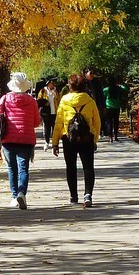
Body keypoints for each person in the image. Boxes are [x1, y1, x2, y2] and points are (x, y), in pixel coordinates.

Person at [51, 72, 101, 208]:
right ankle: (88, 194)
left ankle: (73, 195)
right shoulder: (90, 101)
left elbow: (58, 123)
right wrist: (94, 139)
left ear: (70, 86)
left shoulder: (64, 101)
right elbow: (97, 122)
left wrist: (55, 143)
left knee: (71, 167)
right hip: (87, 138)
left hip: (68, 138)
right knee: (88, 168)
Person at [0, 72, 42, 209]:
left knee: (11, 168)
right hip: (26, 139)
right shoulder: (32, 101)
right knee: (23, 168)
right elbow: (36, 122)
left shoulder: (5, 99)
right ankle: (22, 193)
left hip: (8, 138)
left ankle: (14, 196)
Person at [83, 67, 106, 139]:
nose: (92, 75)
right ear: (85, 74)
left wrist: (103, 105)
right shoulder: (82, 83)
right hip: (85, 106)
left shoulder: (97, 82)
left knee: (96, 120)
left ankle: (96, 133)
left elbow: (101, 94)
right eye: (90, 73)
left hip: (96, 104)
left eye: (93, 73)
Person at [102, 75, 125, 143]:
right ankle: (116, 136)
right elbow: (125, 89)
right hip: (116, 108)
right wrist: (120, 85)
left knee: (109, 122)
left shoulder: (106, 89)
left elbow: (103, 97)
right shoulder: (118, 88)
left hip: (108, 108)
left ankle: (110, 137)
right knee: (116, 122)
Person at [38, 78, 60, 150]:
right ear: (48, 84)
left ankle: (55, 143)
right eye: (51, 83)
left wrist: (56, 96)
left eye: (53, 83)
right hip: (46, 113)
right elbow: (39, 101)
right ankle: (46, 142)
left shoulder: (56, 90)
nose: (52, 84)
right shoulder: (43, 91)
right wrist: (44, 103)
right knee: (47, 129)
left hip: (55, 112)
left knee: (54, 129)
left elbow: (60, 100)